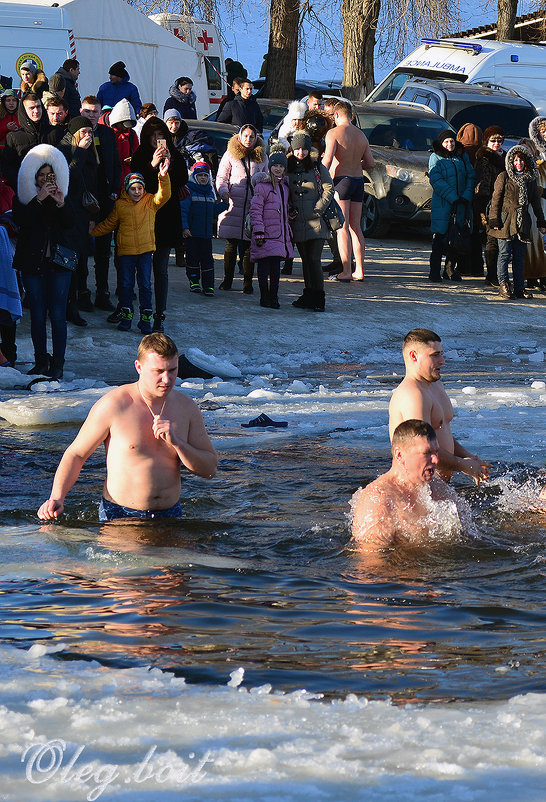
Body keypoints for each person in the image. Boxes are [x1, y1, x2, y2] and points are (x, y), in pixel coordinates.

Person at [37, 333, 218, 522]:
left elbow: (210, 469)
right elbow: (77, 454)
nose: (167, 379)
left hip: (170, 513)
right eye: (158, 371)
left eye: (172, 370)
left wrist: (178, 444)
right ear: (139, 367)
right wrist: (57, 497)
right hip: (120, 514)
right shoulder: (114, 404)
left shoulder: (186, 408)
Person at [389, 328, 491, 484]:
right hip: (416, 492)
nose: (442, 361)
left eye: (441, 354)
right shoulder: (412, 395)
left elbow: (441, 434)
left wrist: (469, 458)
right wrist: (463, 465)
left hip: (437, 489)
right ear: (413, 356)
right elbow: (424, 449)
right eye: (435, 355)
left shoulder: (435, 386)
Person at [351, 420, 466, 550]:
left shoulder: (437, 487)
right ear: (399, 455)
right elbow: (371, 566)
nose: (436, 460)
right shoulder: (378, 501)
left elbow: (466, 537)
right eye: (426, 453)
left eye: (436, 452)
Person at [11, 144, 73, 380]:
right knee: (37, 314)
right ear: (34, 178)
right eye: (42, 176)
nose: (47, 180)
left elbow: (71, 226)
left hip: (59, 264)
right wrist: (38, 200)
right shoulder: (24, 198)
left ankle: (58, 362)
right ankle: (40, 360)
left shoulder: (64, 196)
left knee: (57, 314)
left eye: (51, 176)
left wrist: (60, 203)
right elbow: (22, 222)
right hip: (32, 262)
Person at [90, 160, 171, 333]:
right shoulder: (120, 205)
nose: (137, 192)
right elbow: (109, 224)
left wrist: (163, 176)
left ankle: (145, 319)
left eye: (140, 188)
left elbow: (165, 195)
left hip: (145, 252)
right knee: (126, 284)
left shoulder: (150, 201)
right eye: (133, 188)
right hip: (126, 252)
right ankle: (126, 316)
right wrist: (92, 232)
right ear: (127, 189)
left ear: (144, 189)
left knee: (145, 285)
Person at [131, 116, 189, 332]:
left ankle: (159, 313)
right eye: (154, 137)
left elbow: (182, 179)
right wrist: (152, 165)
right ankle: (143, 311)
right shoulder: (140, 155)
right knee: (143, 268)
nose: (158, 141)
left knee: (161, 269)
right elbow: (136, 181)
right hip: (145, 216)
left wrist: (169, 166)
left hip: (167, 217)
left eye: (161, 136)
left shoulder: (174, 154)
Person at [322, 100, 373, 282]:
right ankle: (359, 269)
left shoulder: (334, 133)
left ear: (336, 115)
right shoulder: (361, 135)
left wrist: (319, 177)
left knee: (342, 228)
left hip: (341, 181)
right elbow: (370, 163)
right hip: (358, 181)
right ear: (351, 115)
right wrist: (355, 164)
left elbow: (327, 160)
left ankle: (345, 270)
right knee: (356, 227)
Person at [80, 95, 122, 311]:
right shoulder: (76, 133)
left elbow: (115, 163)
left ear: (100, 113)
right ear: (81, 112)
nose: (92, 115)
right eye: (88, 111)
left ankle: (102, 292)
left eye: (95, 112)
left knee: (104, 250)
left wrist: (115, 190)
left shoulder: (107, 133)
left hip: (105, 197)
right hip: (83, 199)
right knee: (82, 248)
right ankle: (82, 292)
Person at [488, 144, 546, 300]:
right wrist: (494, 219)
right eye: (515, 160)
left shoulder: (530, 179)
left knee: (520, 257)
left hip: (522, 222)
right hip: (505, 221)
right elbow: (496, 199)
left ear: (526, 161)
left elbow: (535, 202)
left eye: (521, 160)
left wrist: (541, 222)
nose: (518, 163)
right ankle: (504, 285)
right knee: (505, 254)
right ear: (511, 162)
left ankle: (520, 288)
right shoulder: (504, 176)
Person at [216, 124, 268, 293]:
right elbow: (221, 176)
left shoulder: (262, 156)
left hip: (252, 207)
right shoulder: (231, 154)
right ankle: (227, 280)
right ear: (239, 136)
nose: (248, 139)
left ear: (256, 138)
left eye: (251, 136)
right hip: (234, 203)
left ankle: (247, 283)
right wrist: (223, 191)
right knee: (230, 245)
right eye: (245, 136)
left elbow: (267, 179)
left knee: (248, 247)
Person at [58, 116, 100, 327]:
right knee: (66, 264)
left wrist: (92, 218)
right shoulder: (64, 150)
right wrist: (81, 151)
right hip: (67, 215)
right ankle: (64, 307)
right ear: (74, 134)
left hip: (83, 215)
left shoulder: (92, 154)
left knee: (80, 263)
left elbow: (92, 186)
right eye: (83, 132)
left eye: (90, 132)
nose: (88, 136)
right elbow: (68, 175)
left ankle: (73, 305)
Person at [286, 131, 333, 312]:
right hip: (298, 221)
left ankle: (319, 297)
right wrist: (290, 208)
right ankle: (308, 294)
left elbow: (329, 188)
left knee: (314, 259)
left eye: (304, 149)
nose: (300, 153)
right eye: (297, 149)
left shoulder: (317, 167)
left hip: (316, 220)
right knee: (305, 260)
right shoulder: (288, 166)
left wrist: (319, 208)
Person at [427, 129, 475, 283]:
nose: (450, 144)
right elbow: (436, 181)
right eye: (446, 142)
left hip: (461, 204)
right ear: (441, 143)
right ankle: (434, 271)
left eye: (452, 141)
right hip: (443, 205)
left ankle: (449, 270)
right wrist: (453, 197)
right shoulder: (435, 158)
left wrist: (466, 196)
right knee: (439, 238)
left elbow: (470, 177)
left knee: (456, 237)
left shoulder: (462, 157)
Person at [249, 147, 293, 309]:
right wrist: (259, 231)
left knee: (275, 268)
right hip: (264, 234)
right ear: (270, 167)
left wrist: (290, 215)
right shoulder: (262, 186)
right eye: (275, 166)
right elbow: (255, 210)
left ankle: (274, 296)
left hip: (279, 235)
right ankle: (264, 296)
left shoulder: (285, 187)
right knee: (263, 266)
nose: (278, 169)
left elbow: (284, 210)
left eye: (281, 166)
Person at [180, 161, 223, 296]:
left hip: (206, 235)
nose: (203, 178)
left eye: (205, 175)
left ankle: (208, 285)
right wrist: (185, 228)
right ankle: (194, 281)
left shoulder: (210, 192)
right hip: (192, 234)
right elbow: (183, 211)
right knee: (192, 259)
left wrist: (225, 205)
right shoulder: (189, 191)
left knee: (207, 260)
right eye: (200, 176)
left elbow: (212, 211)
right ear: (194, 177)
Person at [474, 126, 507, 288]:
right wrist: (483, 208)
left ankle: (500, 275)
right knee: (492, 239)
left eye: (499, 140)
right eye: (493, 140)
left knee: (504, 240)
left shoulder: (506, 157)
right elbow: (482, 185)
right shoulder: (484, 158)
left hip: (506, 203)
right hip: (489, 203)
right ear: (487, 141)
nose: (496, 143)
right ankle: (492, 275)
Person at [1, 93, 53, 189]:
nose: (36, 111)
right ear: (24, 111)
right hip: (26, 192)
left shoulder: (55, 132)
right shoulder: (14, 137)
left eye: (38, 107)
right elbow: (8, 167)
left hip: (53, 189)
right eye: (31, 108)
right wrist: (23, 184)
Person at [526, 116, 546, 291]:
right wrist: (541, 191)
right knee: (535, 239)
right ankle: (533, 275)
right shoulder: (536, 158)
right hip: (538, 204)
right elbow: (531, 181)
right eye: (543, 131)